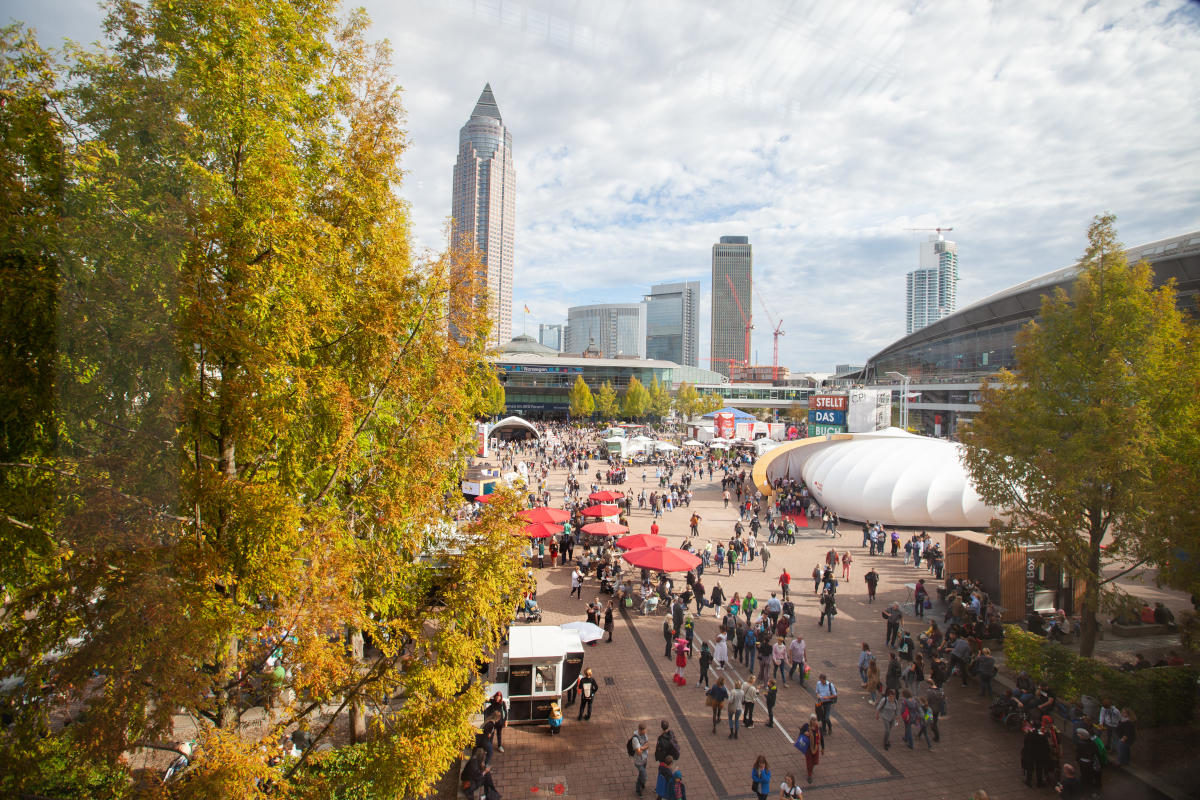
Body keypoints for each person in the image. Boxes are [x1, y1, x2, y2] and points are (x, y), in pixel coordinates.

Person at [630, 722, 651, 797]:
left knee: (641, 775)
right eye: (645, 730)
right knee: (644, 776)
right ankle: (638, 789)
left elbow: (648, 744)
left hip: (644, 759)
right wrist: (643, 747)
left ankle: (642, 784)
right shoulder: (635, 739)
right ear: (640, 730)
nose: (646, 732)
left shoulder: (644, 735)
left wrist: (641, 747)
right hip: (639, 761)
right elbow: (638, 752)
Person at [802, 714, 822, 782]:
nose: (814, 721)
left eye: (815, 719)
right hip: (808, 748)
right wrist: (804, 733)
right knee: (809, 762)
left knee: (815, 762)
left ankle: (811, 768)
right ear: (810, 720)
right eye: (812, 719)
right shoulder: (806, 726)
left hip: (816, 747)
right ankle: (809, 775)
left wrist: (823, 748)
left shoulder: (818, 728)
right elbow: (801, 733)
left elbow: (821, 739)